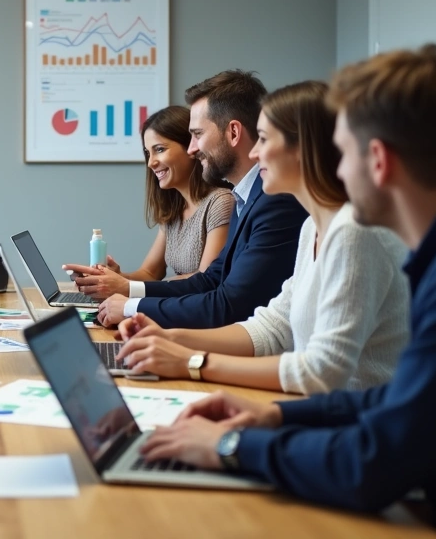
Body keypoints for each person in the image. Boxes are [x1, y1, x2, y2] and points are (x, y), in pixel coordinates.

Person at [137, 45, 436, 538]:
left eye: (341, 153)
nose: (335, 171)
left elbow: (374, 463)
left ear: (378, 161)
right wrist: (274, 417)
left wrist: (229, 448)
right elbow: (405, 399)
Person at [116, 82, 409, 394]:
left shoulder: (354, 232)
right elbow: (272, 327)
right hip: (322, 412)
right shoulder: (313, 226)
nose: (254, 152)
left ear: (303, 149)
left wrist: (191, 362)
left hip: (358, 425)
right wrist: (170, 338)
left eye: (265, 139)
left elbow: (322, 371)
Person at [96, 70, 306, 329]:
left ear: (233, 132)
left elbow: (229, 305)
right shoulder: (246, 196)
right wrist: (129, 295)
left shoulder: (274, 201)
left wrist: (130, 307)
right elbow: (210, 280)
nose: (192, 148)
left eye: (197, 134)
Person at [62, 105, 234, 300]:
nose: (151, 162)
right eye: (148, 153)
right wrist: (116, 279)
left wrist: (125, 286)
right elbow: (150, 274)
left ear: (191, 147)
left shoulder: (220, 203)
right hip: (175, 306)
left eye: (159, 150)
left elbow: (205, 281)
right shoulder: (174, 209)